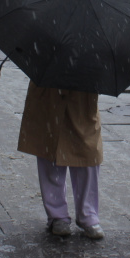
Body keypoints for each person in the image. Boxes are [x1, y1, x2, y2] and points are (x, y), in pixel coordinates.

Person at [17, 82, 105, 240]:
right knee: (50, 146)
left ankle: (88, 214)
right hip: (49, 84)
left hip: (84, 87)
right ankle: (57, 215)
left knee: (87, 150)